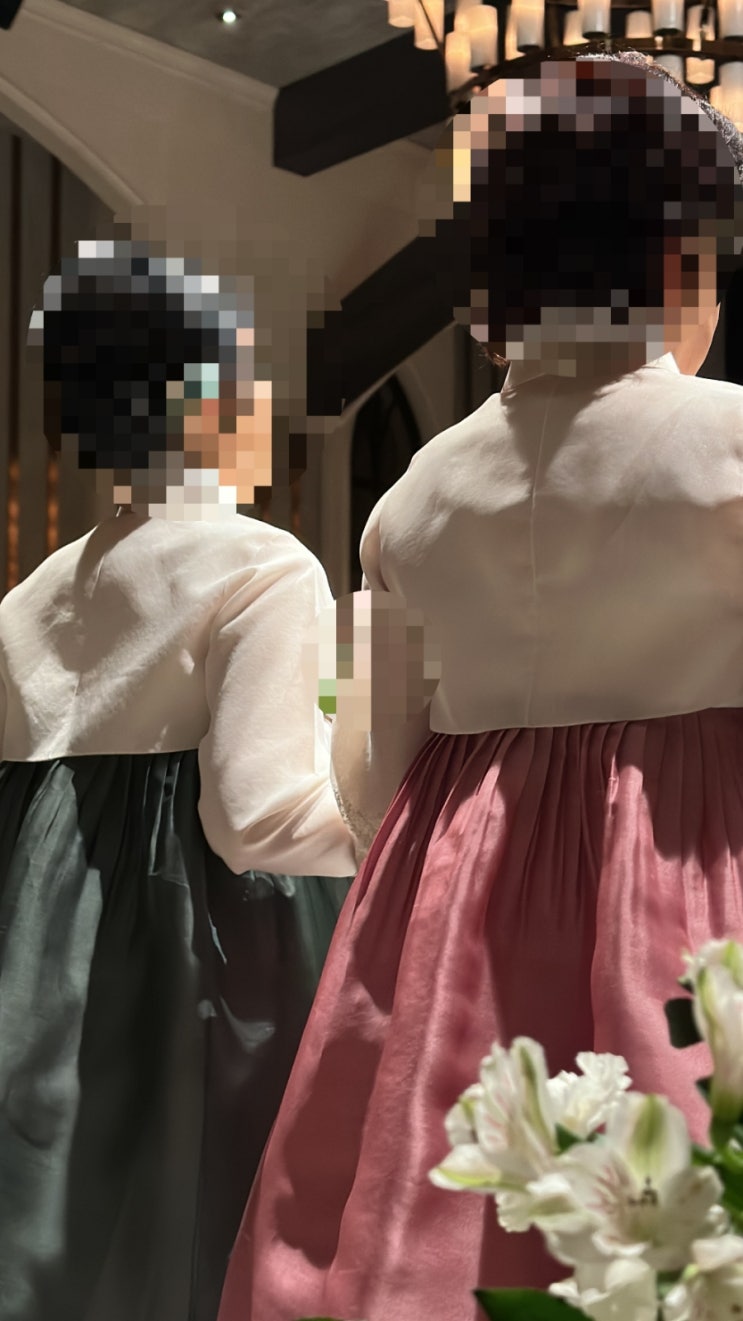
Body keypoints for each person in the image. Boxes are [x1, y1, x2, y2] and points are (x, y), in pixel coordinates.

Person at [217, 53, 743, 1321]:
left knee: (442, 1240)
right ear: (679, 258)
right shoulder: (728, 446)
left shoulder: (414, 499)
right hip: (698, 904)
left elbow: (371, 780)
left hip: (453, 931)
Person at [0, 239, 356, 1321]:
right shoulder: (261, 564)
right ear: (209, 402)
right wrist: (398, 820)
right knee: (201, 1248)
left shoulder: (29, 595)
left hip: (33, 957)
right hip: (197, 955)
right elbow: (256, 818)